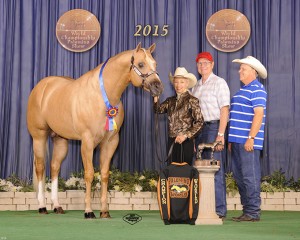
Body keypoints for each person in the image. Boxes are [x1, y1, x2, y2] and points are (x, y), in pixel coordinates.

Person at [229, 56, 267, 222]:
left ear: (254, 72)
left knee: (249, 176)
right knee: (240, 176)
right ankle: (247, 210)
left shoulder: (258, 89)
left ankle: (253, 212)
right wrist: (231, 140)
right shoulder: (242, 90)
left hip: (248, 142)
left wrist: (251, 138)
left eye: (243, 69)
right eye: (240, 68)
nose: (240, 71)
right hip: (237, 142)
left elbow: (259, 114)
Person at [191, 52, 230, 219]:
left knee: (215, 169)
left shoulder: (219, 83)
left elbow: (224, 110)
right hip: (199, 130)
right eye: (200, 63)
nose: (202, 66)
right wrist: (193, 137)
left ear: (212, 65)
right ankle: (205, 207)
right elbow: (193, 114)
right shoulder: (196, 86)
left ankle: (219, 209)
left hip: (214, 127)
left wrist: (221, 134)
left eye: (206, 63)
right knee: (200, 168)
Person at [154, 67, 204, 166]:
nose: (178, 85)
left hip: (185, 141)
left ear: (187, 83)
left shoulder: (192, 100)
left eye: (181, 82)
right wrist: (156, 96)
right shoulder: (170, 100)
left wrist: (185, 135)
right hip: (172, 140)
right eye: (176, 82)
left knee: (184, 171)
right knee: (172, 170)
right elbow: (158, 110)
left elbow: (200, 122)